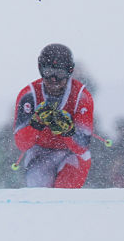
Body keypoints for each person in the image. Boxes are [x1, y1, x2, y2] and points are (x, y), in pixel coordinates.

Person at [13, 43, 95, 188]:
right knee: (40, 198)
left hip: (71, 153)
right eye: (48, 71)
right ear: (40, 69)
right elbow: (21, 143)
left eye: (60, 73)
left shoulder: (81, 97)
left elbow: (82, 147)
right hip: (40, 153)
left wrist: (68, 131)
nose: (54, 80)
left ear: (70, 71)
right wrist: (36, 124)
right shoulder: (29, 96)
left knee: (64, 196)